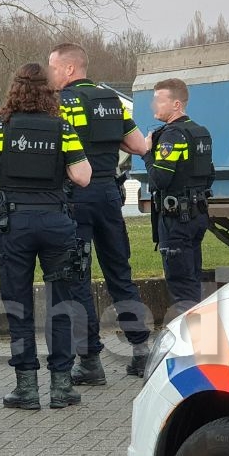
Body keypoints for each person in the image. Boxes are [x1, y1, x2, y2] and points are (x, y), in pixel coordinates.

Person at [0, 62, 92, 410]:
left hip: (15, 226)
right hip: (56, 223)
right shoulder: (62, 127)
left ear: (15, 89)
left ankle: (26, 388)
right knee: (62, 304)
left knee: (18, 305)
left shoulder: (1, 126)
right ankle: (60, 387)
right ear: (48, 91)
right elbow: (82, 176)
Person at [47, 42, 153, 383]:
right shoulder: (112, 101)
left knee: (78, 277)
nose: (50, 75)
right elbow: (139, 146)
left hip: (75, 195)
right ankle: (141, 352)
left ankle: (90, 362)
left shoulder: (60, 104)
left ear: (68, 69)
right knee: (119, 272)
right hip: (109, 194)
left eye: (53, 68)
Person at [145, 78, 214, 312]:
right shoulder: (200, 132)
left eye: (158, 100)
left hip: (176, 220)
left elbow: (160, 179)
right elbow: (209, 175)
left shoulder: (171, 136)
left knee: (181, 285)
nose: (154, 106)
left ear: (176, 104)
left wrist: (147, 154)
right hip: (197, 215)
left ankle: (190, 341)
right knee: (192, 278)